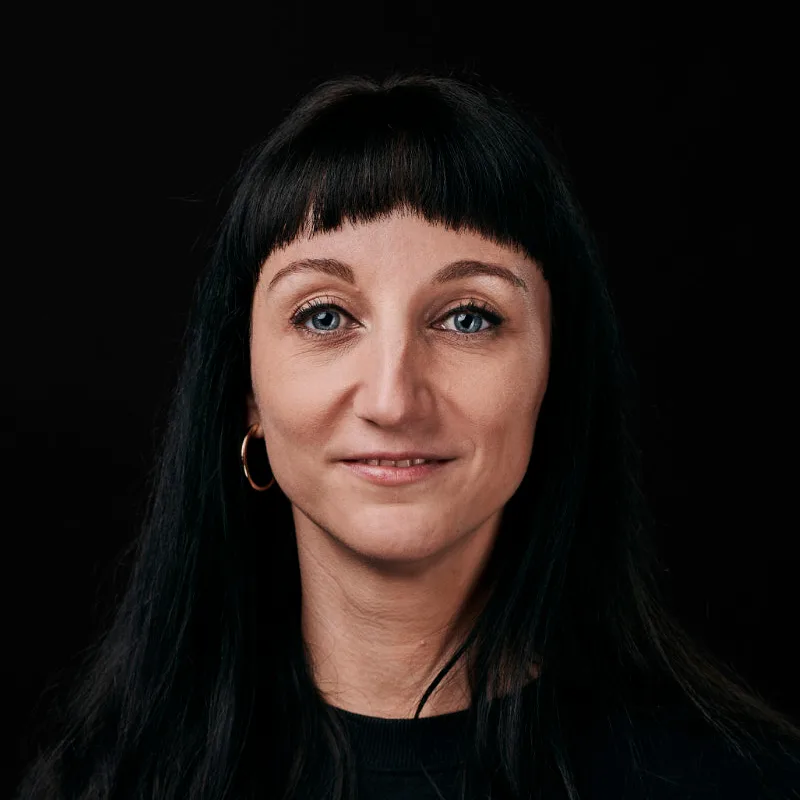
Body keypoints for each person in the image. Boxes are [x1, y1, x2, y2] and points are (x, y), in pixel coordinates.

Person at [15, 70, 800, 800]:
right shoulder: (100, 784)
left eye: (468, 317)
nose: (393, 399)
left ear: (554, 379)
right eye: (324, 316)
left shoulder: (741, 782)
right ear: (245, 393)